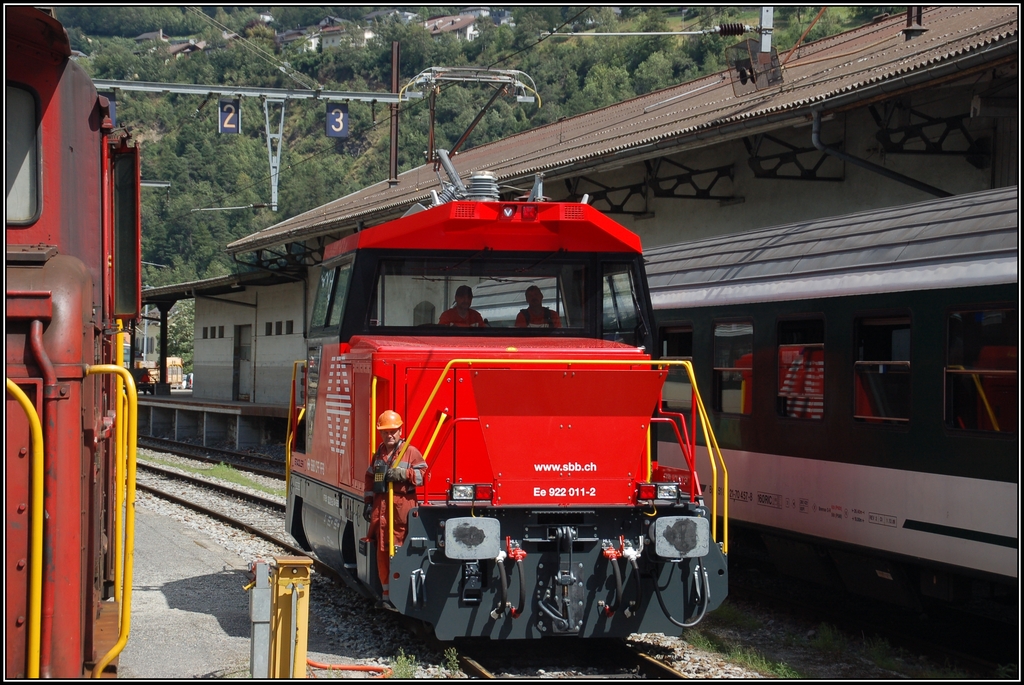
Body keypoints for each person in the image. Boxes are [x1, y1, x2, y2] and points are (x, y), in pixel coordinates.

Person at [362, 410, 426, 606]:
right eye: (385, 432)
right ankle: (388, 596)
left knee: (399, 550)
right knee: (382, 550)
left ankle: (401, 595)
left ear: (400, 431)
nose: (389, 435)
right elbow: (370, 478)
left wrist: (404, 474)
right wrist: (368, 502)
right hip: (381, 512)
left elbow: (424, 475)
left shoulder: (410, 451)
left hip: (401, 511)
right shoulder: (379, 454)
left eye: (393, 431)